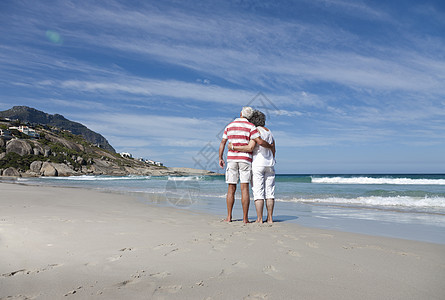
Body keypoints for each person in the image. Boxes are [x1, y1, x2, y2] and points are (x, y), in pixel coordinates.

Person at [219, 107, 274, 223]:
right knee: (245, 189)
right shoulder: (251, 127)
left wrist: (220, 157)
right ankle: (245, 218)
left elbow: (223, 142)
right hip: (245, 159)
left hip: (232, 159)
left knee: (231, 188)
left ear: (240, 114)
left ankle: (229, 217)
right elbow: (257, 142)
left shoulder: (229, 126)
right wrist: (270, 147)